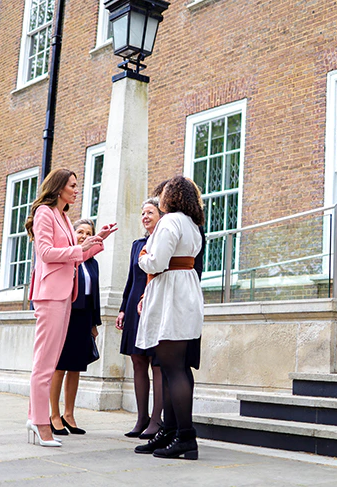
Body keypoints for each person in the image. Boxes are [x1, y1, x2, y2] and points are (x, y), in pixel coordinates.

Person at [23, 168, 117, 447]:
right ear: (59, 187)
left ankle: (34, 417)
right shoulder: (45, 213)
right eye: (73, 186)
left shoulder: (64, 216)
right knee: (45, 364)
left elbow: (74, 259)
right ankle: (41, 423)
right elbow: (46, 254)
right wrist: (80, 248)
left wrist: (97, 240)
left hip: (66, 294)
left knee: (50, 361)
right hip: (50, 294)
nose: (77, 190)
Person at [134, 176, 204, 460]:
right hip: (186, 292)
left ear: (170, 196)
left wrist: (142, 256)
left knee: (172, 368)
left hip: (171, 295)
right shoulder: (191, 223)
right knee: (178, 366)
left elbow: (156, 261)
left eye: (161, 193)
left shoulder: (171, 221)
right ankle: (172, 431)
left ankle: (185, 437)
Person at [49, 218, 102, 437]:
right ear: (72, 234)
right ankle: (53, 415)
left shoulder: (92, 262)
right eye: (80, 232)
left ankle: (69, 415)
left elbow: (95, 294)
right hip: (66, 314)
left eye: (89, 233)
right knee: (59, 366)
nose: (84, 236)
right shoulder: (68, 257)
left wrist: (94, 323)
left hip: (83, 317)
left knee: (76, 367)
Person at [116, 198, 164, 439]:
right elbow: (131, 279)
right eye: (142, 213)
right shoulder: (137, 245)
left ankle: (157, 420)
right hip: (134, 303)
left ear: (161, 215)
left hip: (155, 302)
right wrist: (123, 308)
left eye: (150, 212)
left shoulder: (164, 240)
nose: (145, 216)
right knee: (137, 361)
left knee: (157, 363)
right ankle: (141, 417)